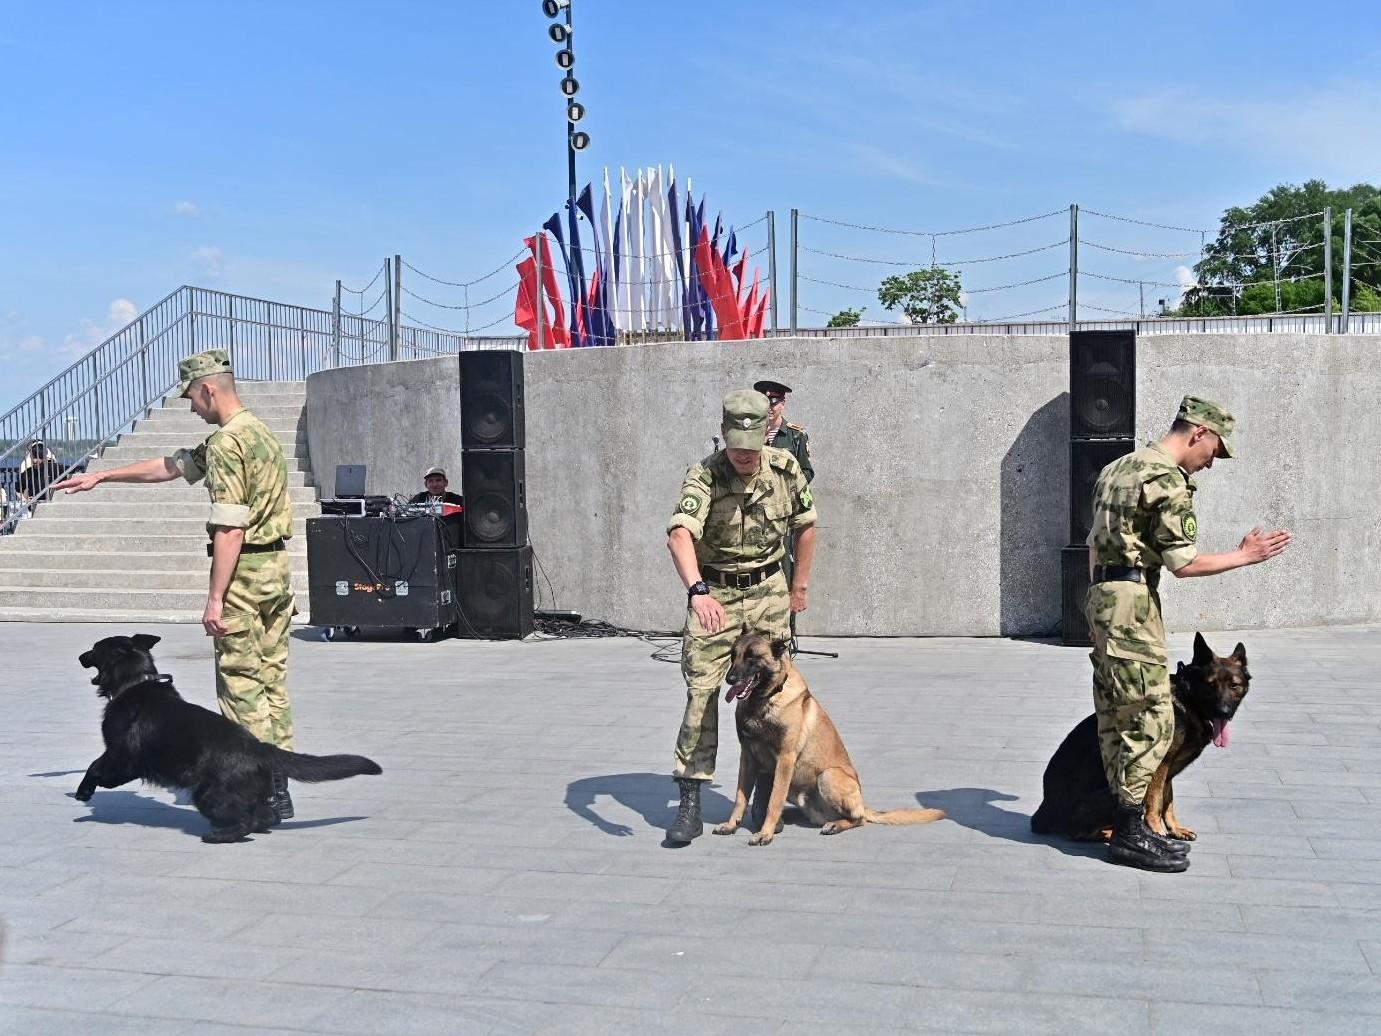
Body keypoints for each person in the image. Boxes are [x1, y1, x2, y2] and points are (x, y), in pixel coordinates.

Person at [52, 348, 300, 821]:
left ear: (208, 389)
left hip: (245, 576)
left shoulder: (229, 444)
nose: (190, 407)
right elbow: (172, 466)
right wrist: (102, 476)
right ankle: (278, 782)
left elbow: (230, 527)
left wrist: (214, 598)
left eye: (191, 397)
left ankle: (260, 789)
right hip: (276, 573)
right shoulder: (258, 433)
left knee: (242, 686)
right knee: (272, 683)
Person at [1085, 395, 1291, 873]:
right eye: (1214, 451)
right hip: (1133, 604)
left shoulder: (1118, 467)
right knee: (1152, 718)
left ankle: (1127, 824)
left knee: (1116, 714)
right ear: (1198, 431)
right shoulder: (1166, 479)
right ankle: (1133, 830)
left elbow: (1096, 546)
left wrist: (1103, 609)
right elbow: (1185, 563)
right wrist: (1247, 555)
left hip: (1102, 598)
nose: (1210, 464)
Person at [664, 388, 818, 844]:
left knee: (774, 689)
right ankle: (690, 796)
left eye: (751, 450)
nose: (744, 458)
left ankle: (767, 791)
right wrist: (697, 592)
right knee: (702, 692)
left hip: (769, 591)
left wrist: (799, 587)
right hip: (717, 596)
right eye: (736, 449)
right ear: (724, 438)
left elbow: (805, 525)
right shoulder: (705, 475)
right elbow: (678, 534)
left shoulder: (786, 468)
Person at [753, 380, 813, 484]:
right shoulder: (752, 434)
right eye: (764, 404)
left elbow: (807, 472)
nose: (768, 409)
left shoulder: (797, 435)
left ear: (783, 404)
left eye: (773, 404)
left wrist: (787, 488)